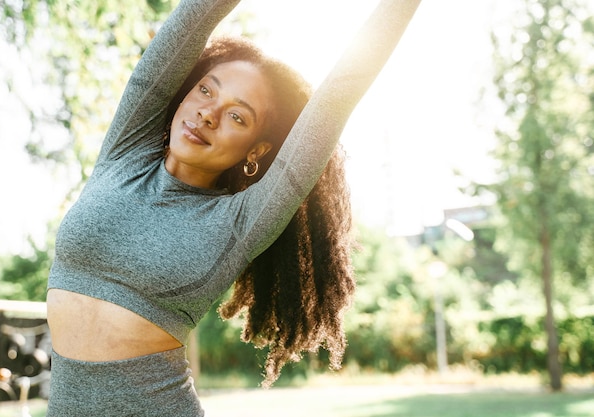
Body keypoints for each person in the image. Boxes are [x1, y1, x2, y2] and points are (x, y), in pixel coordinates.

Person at [45, 0, 421, 415]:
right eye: (206, 90)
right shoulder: (125, 152)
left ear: (256, 149)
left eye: (237, 117)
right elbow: (197, 15)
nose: (208, 113)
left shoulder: (242, 221)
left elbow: (340, 92)